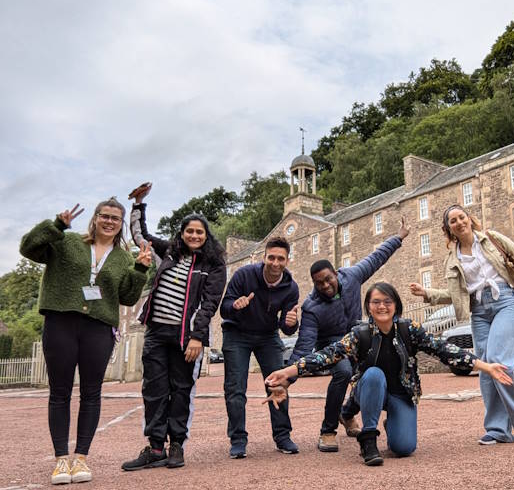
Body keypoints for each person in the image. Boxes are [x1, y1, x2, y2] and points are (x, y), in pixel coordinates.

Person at [265, 282, 513, 466]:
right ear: (368, 307)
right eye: (375, 302)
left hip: (400, 393)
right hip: (370, 387)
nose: (382, 306)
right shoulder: (359, 335)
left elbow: (443, 349)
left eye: (387, 301)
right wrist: (288, 371)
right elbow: (328, 355)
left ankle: (358, 411)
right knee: (373, 375)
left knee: (404, 448)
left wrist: (486, 366)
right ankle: (369, 439)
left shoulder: (409, 330)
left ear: (396, 305)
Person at [409, 205, 514, 445]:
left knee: (500, 360)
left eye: (461, 217)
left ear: (469, 219)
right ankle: (497, 429)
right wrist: (426, 293)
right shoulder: (452, 260)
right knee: (485, 367)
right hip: (479, 311)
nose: (459, 222)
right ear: (448, 229)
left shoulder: (492, 239)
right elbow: (455, 294)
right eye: (453, 221)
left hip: (506, 301)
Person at [19, 199, 151, 485]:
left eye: (116, 218)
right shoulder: (67, 242)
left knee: (91, 393)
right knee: (60, 392)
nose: (109, 221)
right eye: (104, 216)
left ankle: (81, 458)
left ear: (120, 224)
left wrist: (140, 270)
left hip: (99, 328)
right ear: (95, 218)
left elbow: (128, 298)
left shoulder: (123, 258)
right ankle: (60, 461)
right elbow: (28, 248)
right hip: (61, 322)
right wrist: (56, 225)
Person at [121, 184, 226, 471]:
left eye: (199, 232)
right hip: (156, 332)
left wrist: (196, 337)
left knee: (181, 390)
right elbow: (139, 235)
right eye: (189, 231)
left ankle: (177, 445)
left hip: (186, 340)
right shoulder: (167, 253)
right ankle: (156, 447)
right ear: (181, 234)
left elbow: (209, 303)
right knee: (154, 390)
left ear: (206, 237)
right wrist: (139, 204)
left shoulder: (214, 265)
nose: (194, 235)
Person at [286, 217, 410, 452]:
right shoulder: (311, 307)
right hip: (332, 345)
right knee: (343, 372)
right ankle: (328, 431)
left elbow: (376, 258)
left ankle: (348, 412)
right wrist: (287, 379)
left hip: (357, 339)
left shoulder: (351, 276)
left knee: (377, 368)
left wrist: (399, 237)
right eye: (318, 283)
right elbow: (303, 348)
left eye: (327, 279)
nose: (324, 286)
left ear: (336, 273)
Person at [220, 237, 300, 458]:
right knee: (235, 388)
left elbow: (287, 325)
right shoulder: (243, 275)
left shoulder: (290, 288)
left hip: (267, 335)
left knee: (278, 383)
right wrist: (235, 305)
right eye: (271, 257)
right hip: (237, 333)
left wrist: (292, 324)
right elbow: (224, 308)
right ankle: (238, 440)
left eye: (280, 258)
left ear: (287, 260)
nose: (275, 263)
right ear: (264, 257)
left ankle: (283, 436)